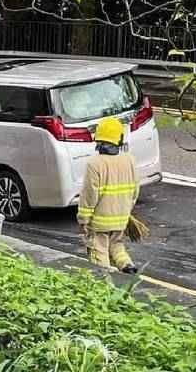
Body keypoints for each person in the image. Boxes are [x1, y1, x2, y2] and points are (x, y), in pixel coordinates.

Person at [77, 117, 140, 274]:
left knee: (98, 251)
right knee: (116, 244)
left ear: (99, 139)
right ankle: (127, 266)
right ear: (119, 139)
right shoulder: (129, 160)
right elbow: (135, 191)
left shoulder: (95, 164)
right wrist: (127, 211)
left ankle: (103, 283)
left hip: (99, 222)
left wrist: (83, 219)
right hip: (121, 218)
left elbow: (89, 195)